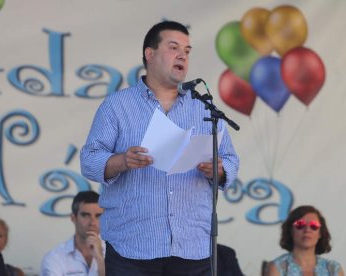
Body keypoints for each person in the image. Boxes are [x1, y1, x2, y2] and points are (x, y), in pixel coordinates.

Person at [80, 20, 239, 276]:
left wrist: (218, 169)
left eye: (187, 51)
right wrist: (122, 161)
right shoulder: (118, 106)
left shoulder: (204, 108)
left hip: (192, 246)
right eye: (174, 47)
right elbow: (89, 160)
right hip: (133, 245)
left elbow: (230, 159)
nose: (182, 56)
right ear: (150, 54)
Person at [266, 205, 344, 276]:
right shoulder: (277, 268)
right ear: (291, 231)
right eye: (300, 224)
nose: (307, 230)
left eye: (314, 226)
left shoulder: (333, 269)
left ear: (320, 233)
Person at [40, 191, 105, 276]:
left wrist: (100, 259)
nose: (92, 222)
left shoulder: (115, 254)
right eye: (86, 215)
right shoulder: (54, 257)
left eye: (98, 216)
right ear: (73, 218)